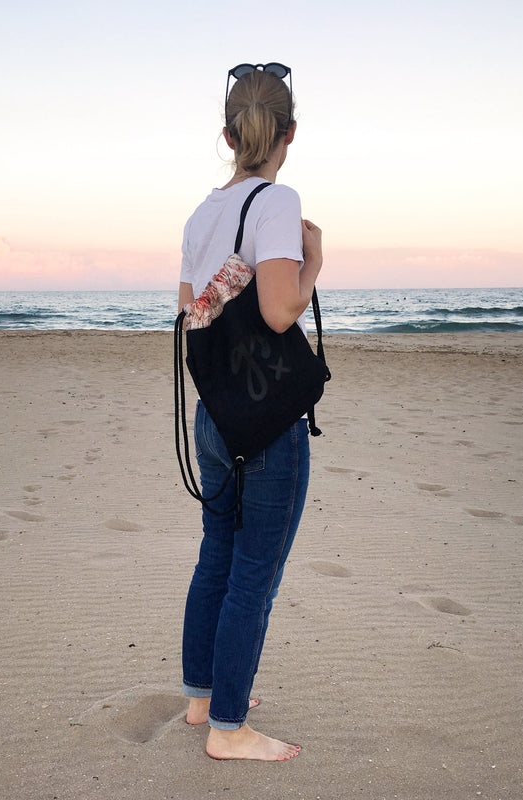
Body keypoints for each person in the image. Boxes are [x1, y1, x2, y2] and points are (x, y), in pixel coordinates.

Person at [178, 63, 324, 761]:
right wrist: (313, 261)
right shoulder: (278, 201)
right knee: (254, 574)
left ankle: (203, 698)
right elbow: (279, 310)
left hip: (214, 416)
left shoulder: (201, 213)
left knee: (217, 557)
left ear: (229, 135)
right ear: (289, 133)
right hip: (266, 424)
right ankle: (229, 730)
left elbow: (192, 312)